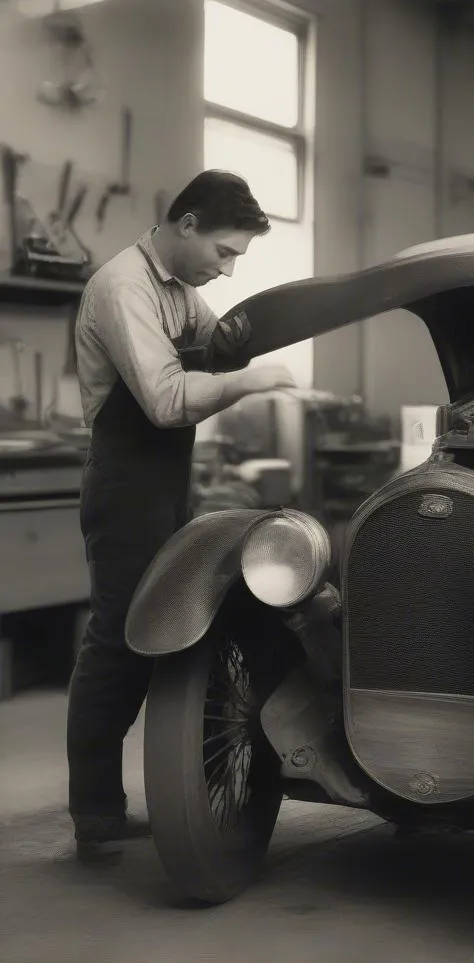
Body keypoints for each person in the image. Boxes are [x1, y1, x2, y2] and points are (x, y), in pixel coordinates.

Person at [67, 170, 297, 860]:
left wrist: (239, 345)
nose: (225, 270)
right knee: (118, 641)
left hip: (166, 481)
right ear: (187, 224)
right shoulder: (122, 288)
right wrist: (251, 379)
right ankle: (97, 812)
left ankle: (188, 789)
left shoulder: (182, 294)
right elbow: (168, 400)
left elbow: (210, 349)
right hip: (125, 483)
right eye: (224, 253)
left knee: (177, 625)